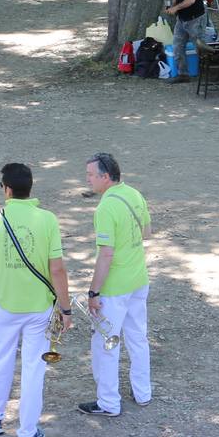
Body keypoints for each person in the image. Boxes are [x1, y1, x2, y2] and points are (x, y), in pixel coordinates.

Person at [0, 163, 72, 437]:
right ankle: (28, 432)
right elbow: (57, 269)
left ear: (6, 189)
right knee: (34, 368)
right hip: (39, 308)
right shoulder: (47, 219)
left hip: (5, 305)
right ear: (29, 187)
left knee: (0, 359)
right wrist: (66, 307)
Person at [79, 153, 152, 417]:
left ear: (105, 176)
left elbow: (106, 254)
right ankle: (143, 392)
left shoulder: (106, 208)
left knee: (107, 344)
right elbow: (147, 233)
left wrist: (93, 291)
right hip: (138, 280)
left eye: (90, 175)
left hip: (114, 287)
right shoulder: (134, 194)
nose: (87, 180)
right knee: (137, 337)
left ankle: (108, 402)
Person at [165, 0, 206, 84]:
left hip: (195, 19)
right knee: (177, 46)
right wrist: (172, 7)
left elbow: (191, 0)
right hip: (181, 20)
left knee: (200, 47)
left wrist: (176, 7)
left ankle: (206, 72)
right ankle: (183, 74)